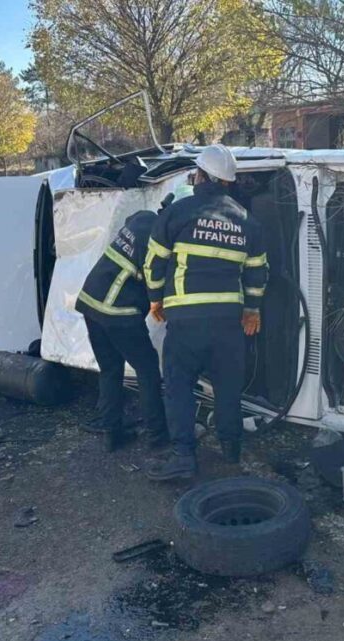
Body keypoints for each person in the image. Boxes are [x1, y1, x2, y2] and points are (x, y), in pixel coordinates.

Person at [142, 145, 268, 480]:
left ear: (200, 176)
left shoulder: (178, 212)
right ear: (227, 181)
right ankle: (231, 448)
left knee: (179, 386)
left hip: (185, 320)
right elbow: (258, 273)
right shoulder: (247, 222)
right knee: (228, 387)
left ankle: (184, 456)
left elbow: (153, 263)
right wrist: (252, 310)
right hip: (228, 323)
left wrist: (155, 300)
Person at [76, 208, 169, 452]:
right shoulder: (160, 242)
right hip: (118, 312)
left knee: (110, 369)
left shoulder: (143, 219)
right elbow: (156, 282)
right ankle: (157, 435)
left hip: (90, 302)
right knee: (148, 369)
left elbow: (130, 221)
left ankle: (112, 433)